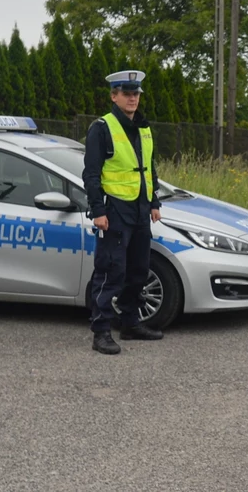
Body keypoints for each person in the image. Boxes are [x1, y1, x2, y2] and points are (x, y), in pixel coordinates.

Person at [83, 69, 165, 355]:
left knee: (139, 271)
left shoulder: (143, 127)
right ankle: (101, 331)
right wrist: (98, 210)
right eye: (126, 94)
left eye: (136, 94)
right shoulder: (101, 128)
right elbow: (91, 174)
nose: (132, 99)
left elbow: (149, 168)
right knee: (110, 272)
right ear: (114, 96)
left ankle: (130, 323)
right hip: (114, 210)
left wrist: (154, 201)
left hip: (141, 209)